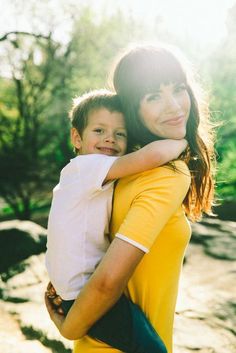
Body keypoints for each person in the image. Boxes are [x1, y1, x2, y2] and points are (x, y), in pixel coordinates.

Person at [45, 44, 215, 353]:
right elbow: (108, 280)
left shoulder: (116, 171)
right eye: (153, 96)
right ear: (131, 108)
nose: (174, 107)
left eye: (178, 89)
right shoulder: (166, 174)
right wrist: (69, 327)